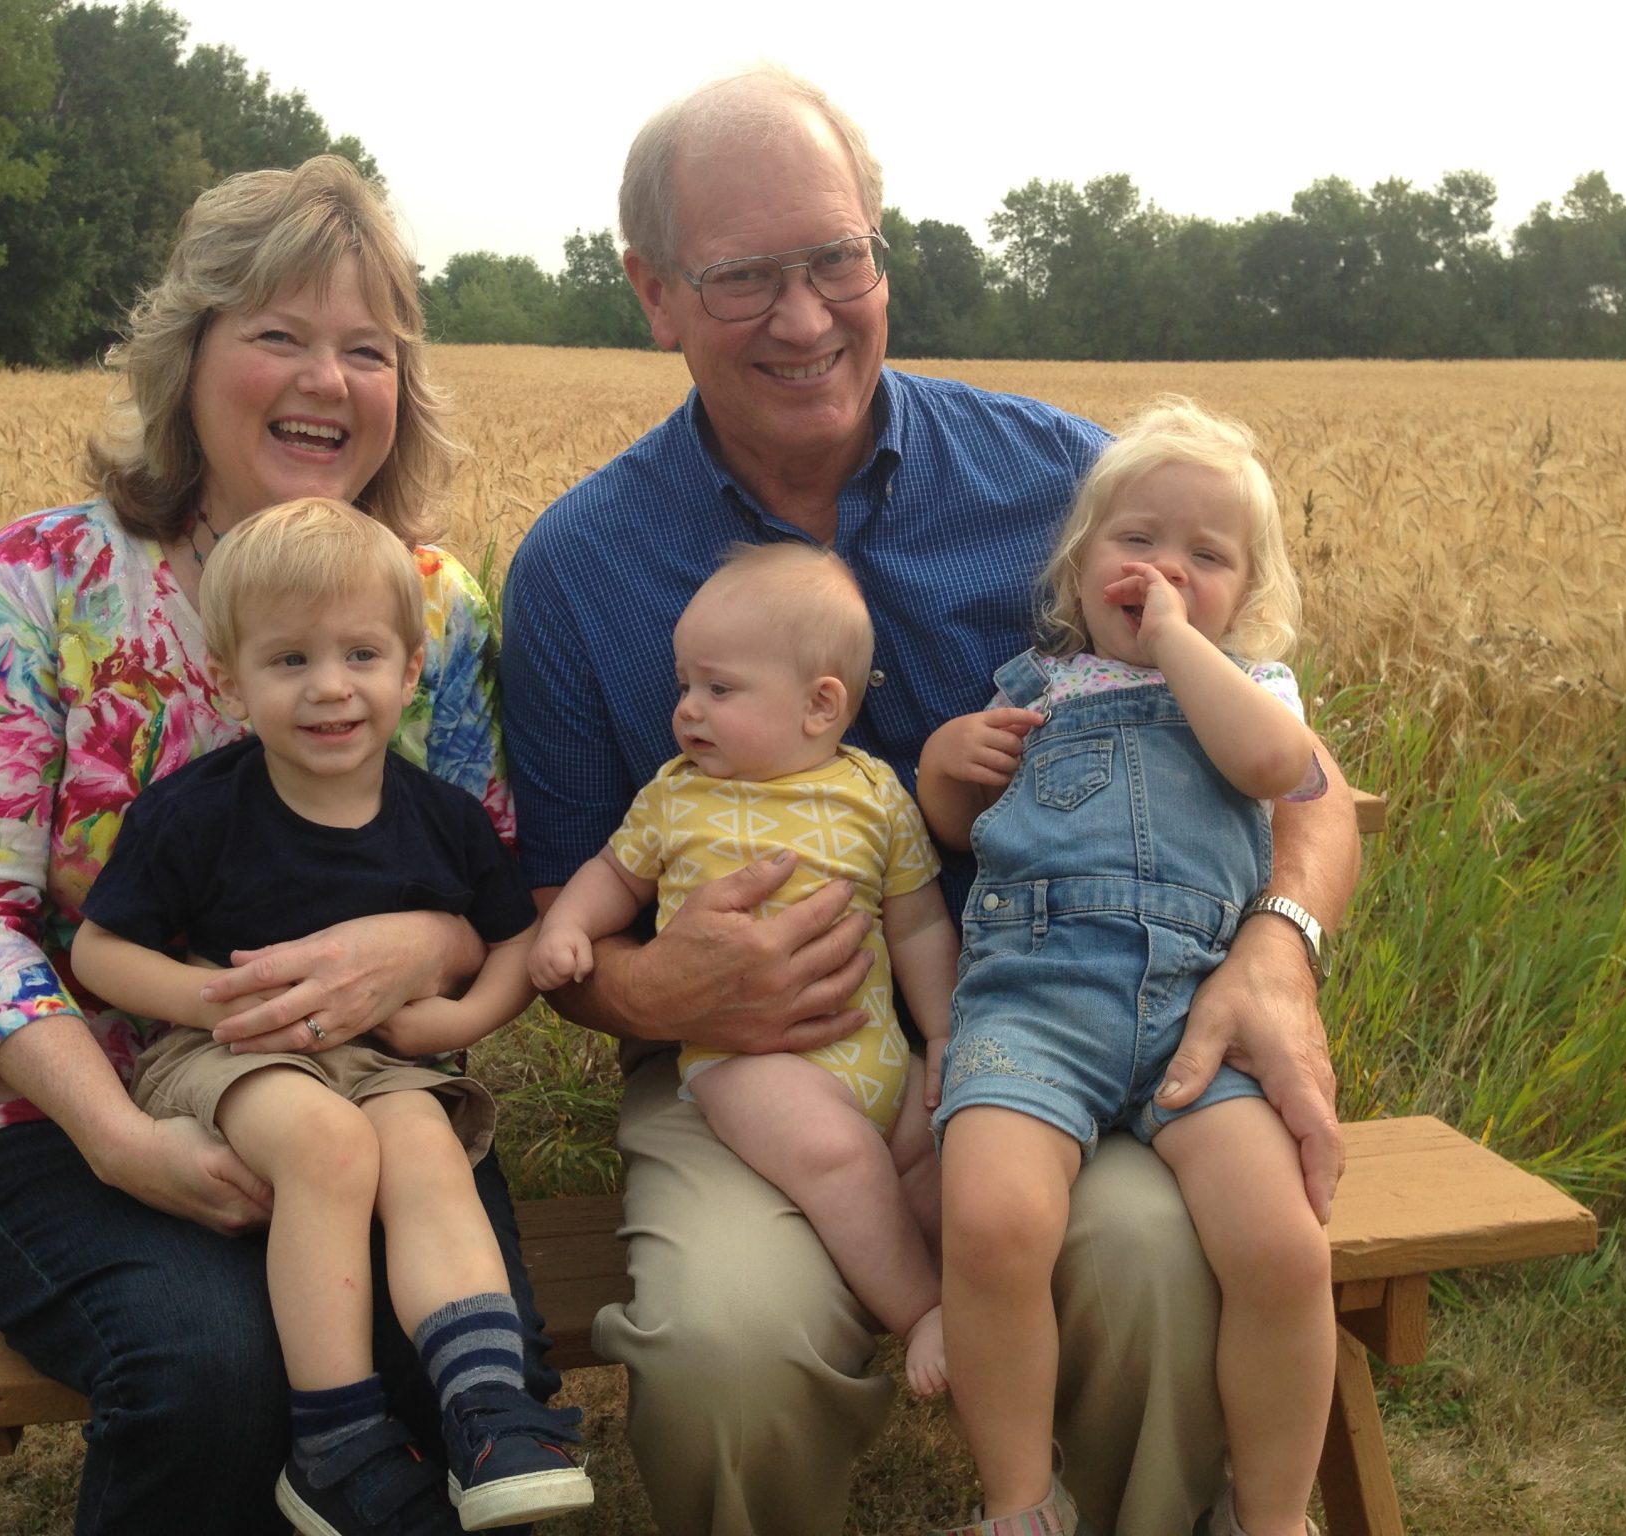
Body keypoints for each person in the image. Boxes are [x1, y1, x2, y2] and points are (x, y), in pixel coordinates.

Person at [499, 66, 1361, 1536]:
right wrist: (659, 985)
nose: (806, 314)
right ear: (652, 294)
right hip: (754, 1067)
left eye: (837, 257)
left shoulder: (1070, 487)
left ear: (880, 250)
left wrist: (1278, 944)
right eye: (742, 276)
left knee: (1157, 1266)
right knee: (719, 1352)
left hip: (1066, 1015)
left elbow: (1308, 779)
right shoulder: (580, 567)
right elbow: (557, 924)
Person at [0, 155, 562, 1536]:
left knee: (465, 1379)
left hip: (371, 1097)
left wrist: (423, 941)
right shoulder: (45, 579)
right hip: (70, 1120)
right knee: (210, 1374)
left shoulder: (429, 606)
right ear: (187, 357)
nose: (326, 379)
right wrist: (121, 1134)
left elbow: (482, 866)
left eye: (365, 350)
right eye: (277, 335)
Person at [69, 498, 591, 1536]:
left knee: (426, 1146)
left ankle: (489, 1409)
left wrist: (454, 1026)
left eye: (360, 654)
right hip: (224, 1055)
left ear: (409, 670)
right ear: (228, 681)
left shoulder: (438, 819)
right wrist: (210, 1000)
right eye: (290, 660)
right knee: (329, 1145)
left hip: (382, 1059)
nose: (329, 688)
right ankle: (336, 1437)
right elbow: (97, 951)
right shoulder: (195, 812)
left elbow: (508, 946)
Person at [918, 400, 1334, 1536]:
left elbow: (1272, 767)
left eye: (1207, 557)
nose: (1166, 569)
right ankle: (1018, 1503)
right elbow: (959, 833)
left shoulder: (1250, 695)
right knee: (992, 1221)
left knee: (1283, 1251)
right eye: (1136, 542)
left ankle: (1270, 1513)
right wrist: (942, 766)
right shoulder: (1037, 685)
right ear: (1077, 568)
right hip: (1033, 1003)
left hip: (1192, 1015)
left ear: (1245, 598)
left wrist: (1178, 647)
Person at [528, 543, 956, 1395]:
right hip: (754, 1067)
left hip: (872, 1050)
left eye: (718, 690)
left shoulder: (875, 793)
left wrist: (942, 1034)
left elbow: (916, 924)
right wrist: (570, 928)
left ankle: (982, 1308)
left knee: (935, 1162)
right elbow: (616, 874)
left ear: (819, 704)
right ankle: (922, 1313)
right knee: (837, 1160)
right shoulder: (677, 795)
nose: (687, 710)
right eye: (685, 685)